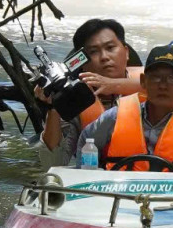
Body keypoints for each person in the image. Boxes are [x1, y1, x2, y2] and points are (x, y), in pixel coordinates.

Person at [68, 42, 173, 172]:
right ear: (143, 82)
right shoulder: (113, 118)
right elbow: (87, 142)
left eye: (172, 79)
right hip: (116, 201)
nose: (162, 85)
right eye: (155, 77)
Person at [41, 18, 144, 154]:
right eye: (94, 52)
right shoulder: (76, 98)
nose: (104, 57)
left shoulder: (154, 79)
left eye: (110, 48)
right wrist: (52, 107)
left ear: (126, 52)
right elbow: (53, 162)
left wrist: (113, 85)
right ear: (82, 63)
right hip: (96, 172)